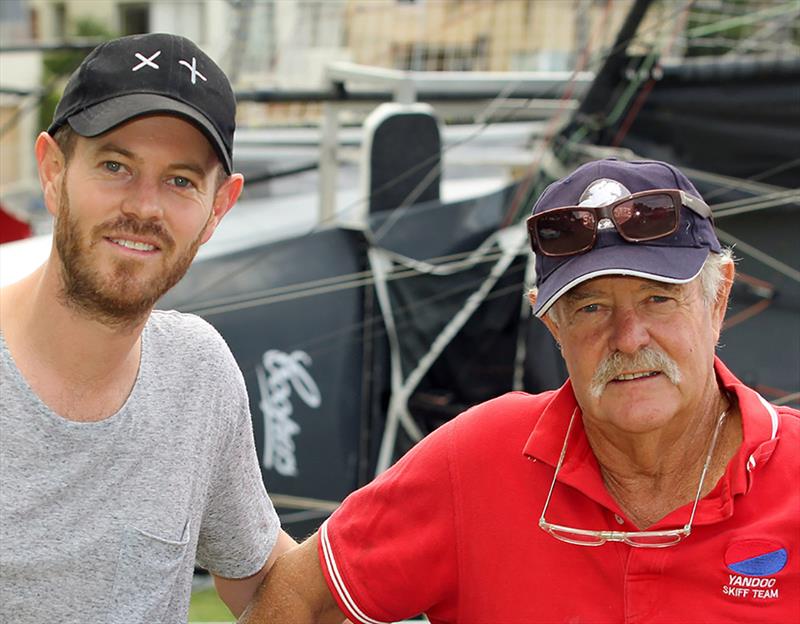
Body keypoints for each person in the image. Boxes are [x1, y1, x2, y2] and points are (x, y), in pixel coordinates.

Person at [240, 158, 799, 623]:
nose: (628, 339)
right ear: (553, 326)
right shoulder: (478, 458)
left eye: (658, 298)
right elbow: (300, 597)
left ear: (718, 299)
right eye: (591, 308)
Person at [0, 33, 295, 622]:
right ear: (53, 171)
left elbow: (265, 582)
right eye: (115, 165)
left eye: (181, 180)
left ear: (218, 208)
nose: (144, 207)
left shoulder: (198, 372)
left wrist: (404, 541)